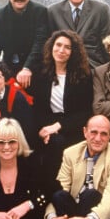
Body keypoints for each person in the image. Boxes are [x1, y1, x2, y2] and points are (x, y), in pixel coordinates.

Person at [33, 29, 94, 184]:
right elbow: (37, 108)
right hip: (46, 124)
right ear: (51, 46)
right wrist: (45, 129)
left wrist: (57, 126)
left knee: (58, 142)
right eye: (58, 45)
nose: (61, 50)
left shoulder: (83, 75)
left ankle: (62, 188)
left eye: (67, 47)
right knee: (49, 142)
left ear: (73, 52)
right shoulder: (41, 73)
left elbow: (85, 112)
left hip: (72, 125)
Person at [0, 0, 50, 94]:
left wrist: (27, 68)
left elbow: (40, 41)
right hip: (10, 69)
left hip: (37, 69)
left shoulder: (40, 12)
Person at [48, 0, 110, 69]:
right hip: (63, 68)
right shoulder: (53, 11)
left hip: (94, 68)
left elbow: (109, 43)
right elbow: (48, 45)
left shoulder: (101, 10)